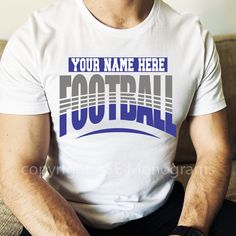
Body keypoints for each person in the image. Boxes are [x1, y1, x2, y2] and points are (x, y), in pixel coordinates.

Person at [0, 0, 235, 235]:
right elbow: (16, 171)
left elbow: (214, 149)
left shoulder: (192, 37)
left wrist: (188, 231)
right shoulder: (35, 38)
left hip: (162, 212)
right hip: (65, 215)